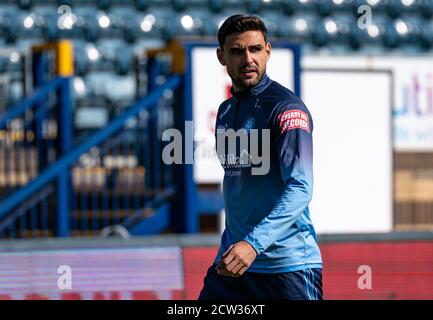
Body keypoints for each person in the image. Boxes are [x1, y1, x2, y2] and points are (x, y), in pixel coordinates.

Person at [198, 14, 323, 300]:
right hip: (234, 265)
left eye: (255, 49)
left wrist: (253, 244)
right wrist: (234, 246)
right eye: (237, 51)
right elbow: (239, 185)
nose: (248, 58)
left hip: (286, 267)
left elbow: (300, 187)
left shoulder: (287, 109)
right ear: (222, 57)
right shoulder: (226, 112)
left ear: (267, 50)